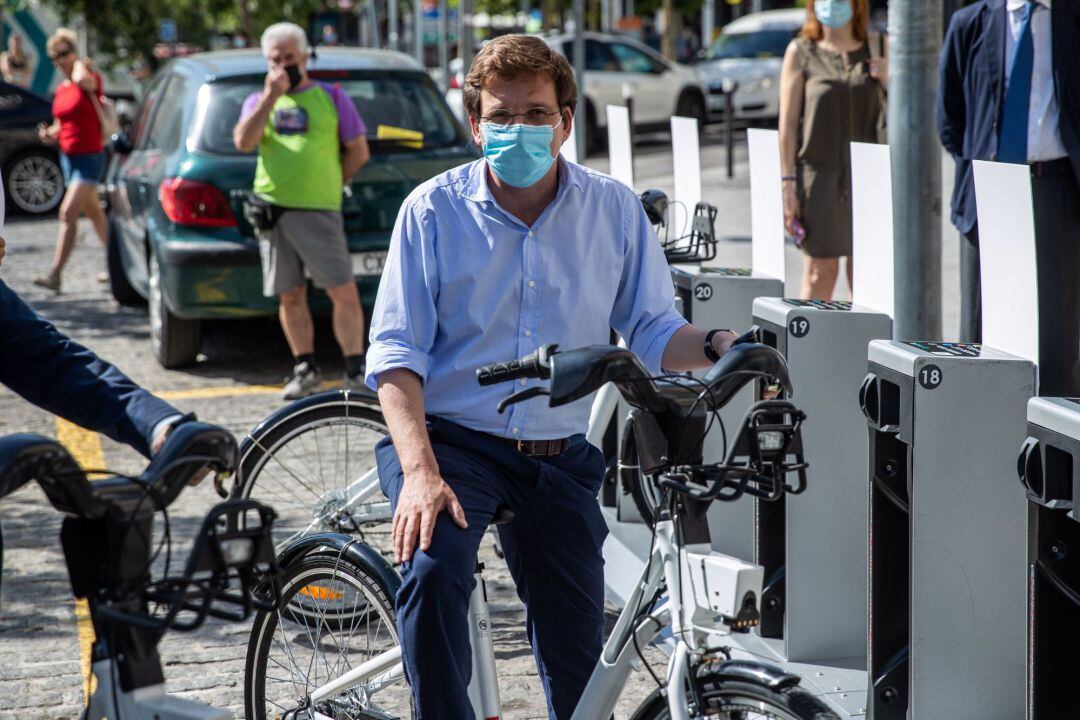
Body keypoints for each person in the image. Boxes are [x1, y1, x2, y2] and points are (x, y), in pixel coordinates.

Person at [364, 34, 742, 719]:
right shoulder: (431, 211)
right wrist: (419, 473)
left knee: (580, 657)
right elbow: (395, 354)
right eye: (501, 115)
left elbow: (654, 329)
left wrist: (719, 344)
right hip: (450, 442)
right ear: (475, 124)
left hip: (558, 455)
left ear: (566, 121)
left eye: (536, 114)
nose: (520, 129)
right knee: (432, 569)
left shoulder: (614, 209)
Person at [937, 0, 1080, 394]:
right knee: (981, 332)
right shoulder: (970, 23)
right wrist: (982, 166)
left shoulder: (1072, 18)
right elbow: (950, 118)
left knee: (1058, 337)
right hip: (989, 191)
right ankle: (980, 437)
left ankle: (1056, 446)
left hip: (1056, 187)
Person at [233, 22, 371, 400]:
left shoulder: (332, 97)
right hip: (273, 210)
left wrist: (329, 183)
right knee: (289, 294)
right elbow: (244, 141)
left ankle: (356, 369)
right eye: (275, 60)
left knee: (341, 290)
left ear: (305, 56)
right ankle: (305, 366)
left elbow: (359, 150)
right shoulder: (258, 100)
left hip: (319, 210)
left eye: (289, 58)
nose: (282, 66)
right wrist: (269, 98)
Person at [778, 0, 886, 300]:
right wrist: (788, 186)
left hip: (870, 180)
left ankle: (861, 347)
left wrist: (889, 81)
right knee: (818, 275)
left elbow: (905, 118)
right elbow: (786, 126)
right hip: (818, 179)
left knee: (866, 279)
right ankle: (809, 347)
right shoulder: (800, 52)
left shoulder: (877, 46)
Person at [32, 29, 110, 294]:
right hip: (69, 157)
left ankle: (55, 274)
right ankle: (118, 265)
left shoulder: (88, 79)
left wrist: (78, 64)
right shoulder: (62, 90)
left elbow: (84, 82)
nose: (61, 59)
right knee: (96, 216)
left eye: (65, 53)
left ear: (75, 53)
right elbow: (60, 124)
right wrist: (49, 134)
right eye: (56, 56)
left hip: (90, 157)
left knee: (67, 213)